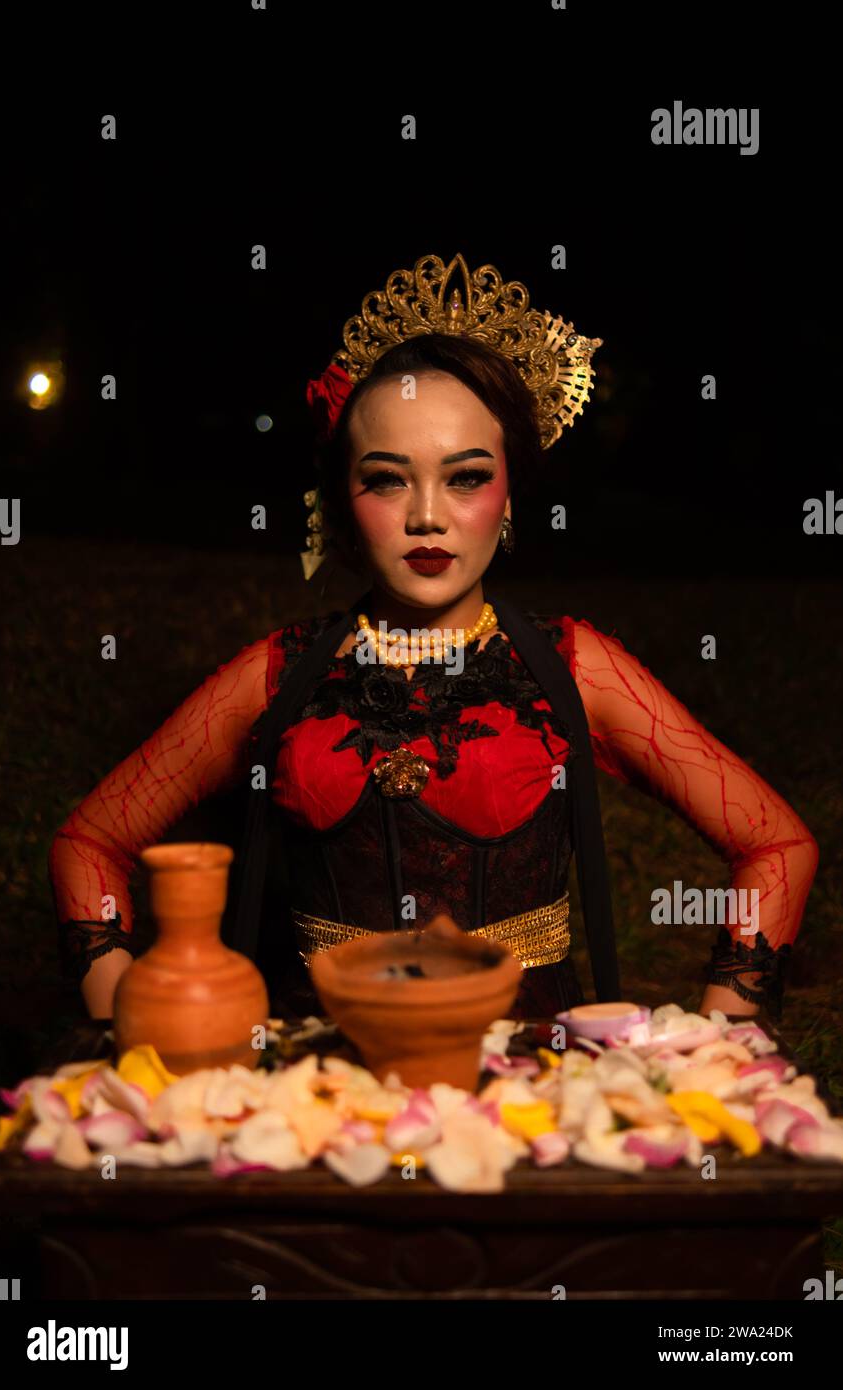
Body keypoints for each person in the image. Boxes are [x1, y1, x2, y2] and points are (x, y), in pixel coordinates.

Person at [48, 252, 819, 1026]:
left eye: (466, 477)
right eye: (387, 478)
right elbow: (89, 843)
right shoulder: (276, 675)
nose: (426, 515)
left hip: (530, 1106)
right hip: (320, 1099)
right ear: (345, 501)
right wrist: (127, 1026)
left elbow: (775, 847)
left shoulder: (574, 669)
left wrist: (721, 1047)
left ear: (510, 492)